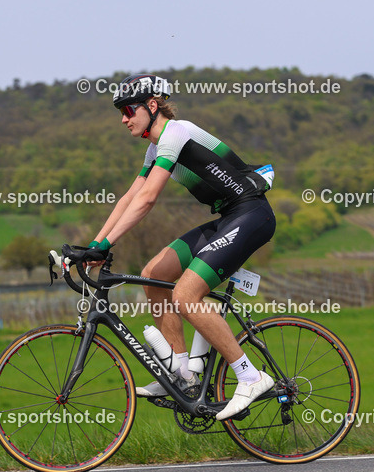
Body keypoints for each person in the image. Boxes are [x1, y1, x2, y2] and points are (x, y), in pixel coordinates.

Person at [86, 74, 277, 421]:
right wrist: (95, 244)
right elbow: (129, 196)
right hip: (228, 217)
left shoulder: (175, 133)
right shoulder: (155, 147)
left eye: (129, 110)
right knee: (152, 275)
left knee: (186, 296)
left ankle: (250, 376)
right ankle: (182, 374)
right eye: (121, 112)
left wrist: (104, 244)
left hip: (252, 215)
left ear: (152, 106)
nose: (124, 119)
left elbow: (146, 200)